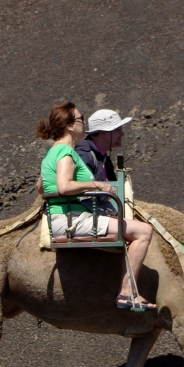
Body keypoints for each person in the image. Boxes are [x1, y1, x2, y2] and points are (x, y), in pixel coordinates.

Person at [36, 101, 156, 311]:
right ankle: (127, 293)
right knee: (143, 231)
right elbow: (64, 186)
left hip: (63, 217)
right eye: (81, 118)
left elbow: (40, 186)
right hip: (72, 219)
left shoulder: (52, 152)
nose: (85, 122)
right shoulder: (66, 152)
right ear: (70, 126)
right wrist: (96, 184)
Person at [74, 109, 132, 182]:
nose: (122, 134)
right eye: (118, 130)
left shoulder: (104, 158)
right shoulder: (85, 157)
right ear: (104, 133)